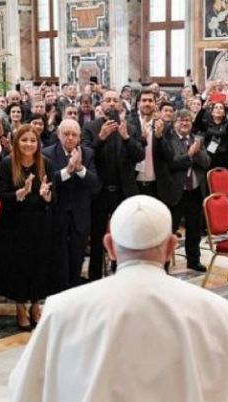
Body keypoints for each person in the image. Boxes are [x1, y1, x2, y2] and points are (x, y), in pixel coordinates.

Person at [9, 195, 228, 402]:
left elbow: (24, 393)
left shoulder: (62, 308)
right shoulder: (214, 311)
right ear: (172, 246)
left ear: (109, 246)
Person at [0, 126, 56, 330]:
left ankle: (36, 306)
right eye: (24, 140)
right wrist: (19, 194)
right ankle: (21, 307)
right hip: (14, 224)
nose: (28, 144)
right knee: (18, 266)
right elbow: (2, 195)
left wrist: (47, 196)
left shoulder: (45, 163)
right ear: (16, 142)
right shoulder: (6, 164)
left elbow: (53, 195)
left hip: (40, 223)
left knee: (38, 265)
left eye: (32, 140)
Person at [81, 90, 145, 281]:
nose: (111, 104)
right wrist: (100, 138)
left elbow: (139, 155)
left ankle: (121, 274)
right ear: (101, 105)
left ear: (120, 105)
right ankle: (94, 277)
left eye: (115, 101)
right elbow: (84, 156)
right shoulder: (91, 127)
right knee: (97, 235)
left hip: (123, 192)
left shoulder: (131, 127)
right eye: (107, 100)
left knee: (123, 236)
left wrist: (126, 138)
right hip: (99, 193)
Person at [43, 119, 100, 290]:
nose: (69, 138)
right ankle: (59, 292)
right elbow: (47, 181)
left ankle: (74, 292)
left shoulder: (88, 153)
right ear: (59, 135)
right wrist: (67, 171)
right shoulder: (47, 153)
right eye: (66, 134)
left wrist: (80, 168)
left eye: (74, 134)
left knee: (77, 258)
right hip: (56, 214)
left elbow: (94, 182)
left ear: (79, 137)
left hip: (79, 214)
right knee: (58, 258)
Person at [163, 109, 210, 272]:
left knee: (194, 229)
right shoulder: (168, 140)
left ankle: (193, 260)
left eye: (188, 120)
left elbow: (206, 162)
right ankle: (164, 264)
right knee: (170, 230)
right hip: (176, 191)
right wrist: (190, 155)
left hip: (195, 191)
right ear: (174, 123)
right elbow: (172, 164)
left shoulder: (198, 140)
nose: (184, 123)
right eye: (181, 120)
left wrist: (196, 153)